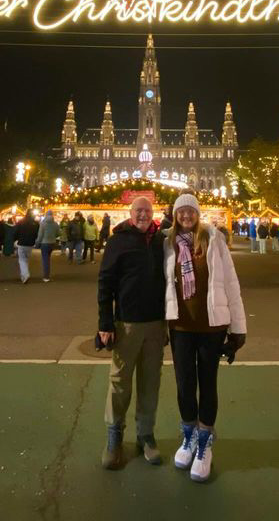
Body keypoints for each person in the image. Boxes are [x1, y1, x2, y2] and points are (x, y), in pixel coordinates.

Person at [164, 194, 246, 483]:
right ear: (175, 215)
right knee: (185, 382)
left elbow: (232, 283)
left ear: (197, 213)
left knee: (207, 381)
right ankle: (189, 436)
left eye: (190, 211)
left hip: (212, 327)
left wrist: (238, 328)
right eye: (181, 211)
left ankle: (205, 441)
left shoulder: (214, 239)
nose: (186, 215)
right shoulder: (167, 242)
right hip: (181, 327)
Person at [98, 197, 166, 470]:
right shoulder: (118, 241)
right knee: (120, 382)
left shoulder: (162, 241)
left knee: (151, 383)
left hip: (156, 323)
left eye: (147, 211)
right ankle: (114, 437)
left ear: (153, 214)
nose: (143, 215)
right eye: (139, 210)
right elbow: (105, 282)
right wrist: (105, 322)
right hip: (127, 323)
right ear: (130, 213)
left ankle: (145, 435)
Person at [14, 210, 40, 283]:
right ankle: (24, 274)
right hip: (30, 244)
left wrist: (15, 239)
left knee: (22, 260)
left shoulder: (21, 222)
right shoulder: (35, 223)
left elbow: (16, 232)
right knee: (26, 259)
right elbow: (37, 234)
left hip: (21, 243)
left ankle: (25, 275)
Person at [35, 210, 60, 283]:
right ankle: (47, 274)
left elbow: (40, 235)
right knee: (48, 258)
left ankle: (46, 276)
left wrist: (37, 243)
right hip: (52, 243)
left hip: (44, 243)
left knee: (45, 260)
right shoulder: (55, 224)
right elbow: (58, 233)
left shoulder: (43, 224)